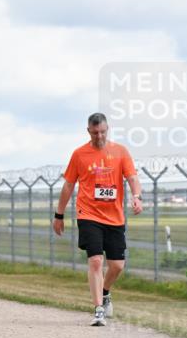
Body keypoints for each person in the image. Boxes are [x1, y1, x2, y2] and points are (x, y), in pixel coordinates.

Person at [52, 112, 143, 326]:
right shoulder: (79, 154)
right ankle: (98, 310)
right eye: (95, 133)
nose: (99, 136)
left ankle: (105, 292)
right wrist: (59, 215)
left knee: (117, 265)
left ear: (107, 129)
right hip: (88, 214)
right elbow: (68, 186)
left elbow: (132, 177)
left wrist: (136, 197)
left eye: (102, 132)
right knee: (95, 260)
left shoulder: (120, 152)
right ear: (88, 131)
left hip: (114, 217)